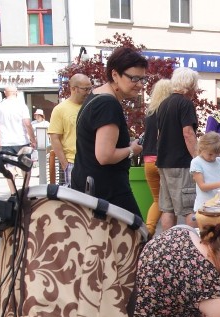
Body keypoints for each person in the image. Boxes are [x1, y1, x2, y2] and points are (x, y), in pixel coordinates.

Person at [70, 47, 146, 216]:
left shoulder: (94, 97)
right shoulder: (108, 104)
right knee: (137, 238)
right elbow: (104, 155)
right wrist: (132, 149)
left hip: (91, 189)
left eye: (142, 79)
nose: (140, 84)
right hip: (107, 193)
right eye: (134, 78)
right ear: (115, 75)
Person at [157, 67, 200, 229]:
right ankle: (192, 246)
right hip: (181, 162)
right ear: (190, 85)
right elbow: (188, 133)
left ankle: (168, 245)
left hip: (163, 161)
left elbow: (159, 134)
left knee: (167, 208)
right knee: (189, 208)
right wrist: (197, 159)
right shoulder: (185, 104)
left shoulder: (163, 104)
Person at [141, 78, 172, 234]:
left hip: (148, 161)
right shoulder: (168, 111)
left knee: (157, 200)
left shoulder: (150, 113)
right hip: (164, 161)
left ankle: (149, 230)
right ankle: (170, 239)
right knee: (169, 204)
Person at [48, 73, 92, 184]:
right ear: (73, 88)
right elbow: (54, 138)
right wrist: (65, 164)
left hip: (93, 161)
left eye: (90, 89)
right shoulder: (60, 109)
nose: (88, 92)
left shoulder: (91, 105)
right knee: (76, 199)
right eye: (85, 89)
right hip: (73, 162)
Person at [0, 85, 37, 161]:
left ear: (5, 93)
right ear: (16, 92)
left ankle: (13, 173)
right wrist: (33, 140)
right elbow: (28, 124)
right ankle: (24, 173)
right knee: (25, 165)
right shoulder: (22, 106)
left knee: (9, 166)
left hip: (6, 142)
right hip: (22, 141)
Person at [190, 132, 220, 212]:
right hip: (204, 205)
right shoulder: (196, 162)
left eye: (216, 154)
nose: (213, 158)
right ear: (202, 148)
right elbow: (202, 186)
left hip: (219, 204)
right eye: (210, 154)